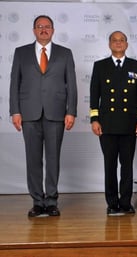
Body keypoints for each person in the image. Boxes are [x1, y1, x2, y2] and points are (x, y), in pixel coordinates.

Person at [9, 15, 78, 217]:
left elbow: (72, 85)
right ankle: (37, 202)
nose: (43, 30)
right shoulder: (20, 53)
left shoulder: (65, 54)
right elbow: (14, 84)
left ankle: (51, 201)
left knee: (53, 158)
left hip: (56, 113)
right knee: (33, 159)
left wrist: (71, 111)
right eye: (39, 27)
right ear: (33, 30)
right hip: (29, 113)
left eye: (47, 27)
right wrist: (15, 111)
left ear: (53, 30)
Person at [89, 31, 137, 216]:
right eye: (115, 40)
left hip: (129, 124)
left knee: (127, 165)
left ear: (127, 44)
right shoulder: (100, 66)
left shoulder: (136, 66)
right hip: (107, 124)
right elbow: (94, 95)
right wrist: (94, 119)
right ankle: (112, 203)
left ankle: (126, 202)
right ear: (109, 44)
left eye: (122, 40)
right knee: (110, 165)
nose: (118, 43)